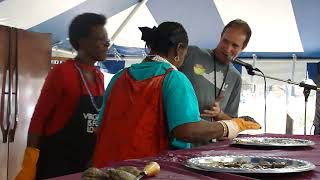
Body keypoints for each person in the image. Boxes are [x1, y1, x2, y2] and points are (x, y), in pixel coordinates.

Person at [92, 21, 260, 168]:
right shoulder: (174, 78)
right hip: (146, 169)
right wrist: (231, 126)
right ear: (179, 49)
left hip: (107, 168)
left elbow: (100, 128)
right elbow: (186, 131)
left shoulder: (119, 76)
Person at [15, 13, 109, 179]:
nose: (107, 43)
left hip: (85, 163)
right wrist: (29, 163)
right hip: (56, 164)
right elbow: (38, 120)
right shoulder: (62, 73)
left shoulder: (99, 77)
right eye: (101, 39)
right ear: (82, 42)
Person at [179, 19, 252, 121]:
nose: (227, 49)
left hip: (206, 135)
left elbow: (232, 122)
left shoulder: (235, 78)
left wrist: (219, 114)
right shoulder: (192, 53)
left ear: (243, 47)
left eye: (235, 45)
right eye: (225, 41)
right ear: (220, 37)